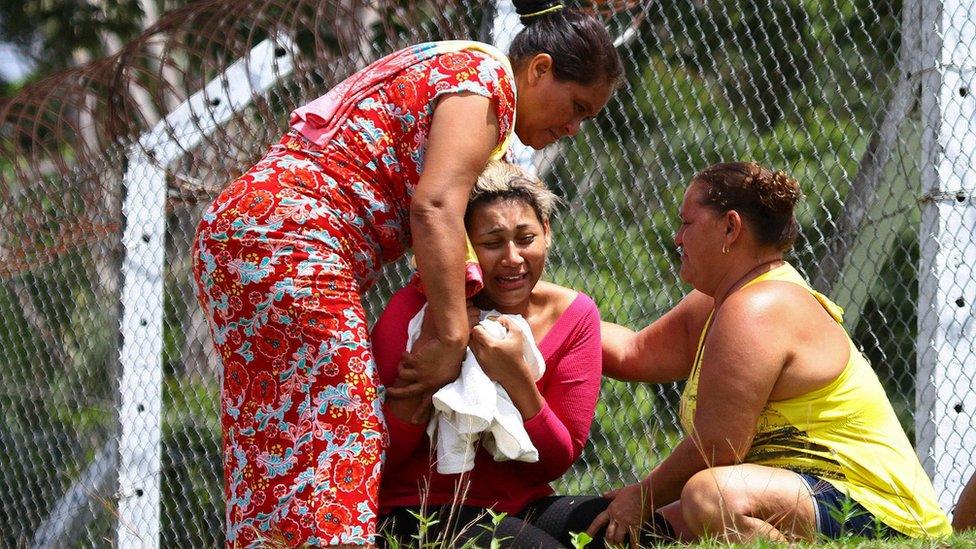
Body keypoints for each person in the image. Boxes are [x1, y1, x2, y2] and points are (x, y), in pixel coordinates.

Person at [191, 0, 622, 545]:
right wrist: (449, 334)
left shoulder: (458, 65)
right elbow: (436, 206)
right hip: (292, 238)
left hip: (243, 233)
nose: (575, 127)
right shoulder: (484, 82)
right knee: (342, 428)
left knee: (278, 427)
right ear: (539, 69)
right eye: (577, 105)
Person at [589, 162, 952, 544]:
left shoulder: (759, 307)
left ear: (730, 228)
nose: (677, 238)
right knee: (649, 532)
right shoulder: (720, 302)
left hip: (883, 515)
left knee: (709, 498)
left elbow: (718, 445)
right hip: (804, 501)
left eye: (687, 223)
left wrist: (643, 495)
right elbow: (633, 352)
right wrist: (534, 308)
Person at [373, 161, 607, 548]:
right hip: (415, 508)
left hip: (520, 505)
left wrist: (515, 375)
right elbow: (375, 455)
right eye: (493, 243)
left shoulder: (576, 315)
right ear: (463, 246)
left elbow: (556, 460)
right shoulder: (414, 311)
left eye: (526, 238)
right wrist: (436, 365)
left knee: (635, 533)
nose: (513, 258)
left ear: (547, 234)